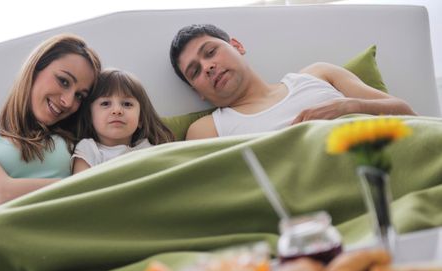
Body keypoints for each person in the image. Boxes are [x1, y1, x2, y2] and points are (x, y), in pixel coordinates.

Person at [169, 24, 416, 140]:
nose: (208, 67)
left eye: (210, 52)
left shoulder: (318, 74)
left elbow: (409, 115)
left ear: (237, 46)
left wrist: (350, 107)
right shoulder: (207, 129)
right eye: (195, 71)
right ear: (197, 91)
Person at [0, 34, 102, 216]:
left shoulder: (75, 141)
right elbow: (0, 193)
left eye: (79, 96)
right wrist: (86, 187)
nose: (68, 102)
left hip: (65, 236)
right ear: (34, 69)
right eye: (63, 81)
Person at [72, 69, 175, 173]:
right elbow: (82, 187)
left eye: (127, 104)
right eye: (105, 103)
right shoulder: (88, 150)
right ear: (90, 117)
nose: (117, 111)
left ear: (141, 119)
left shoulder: (148, 149)